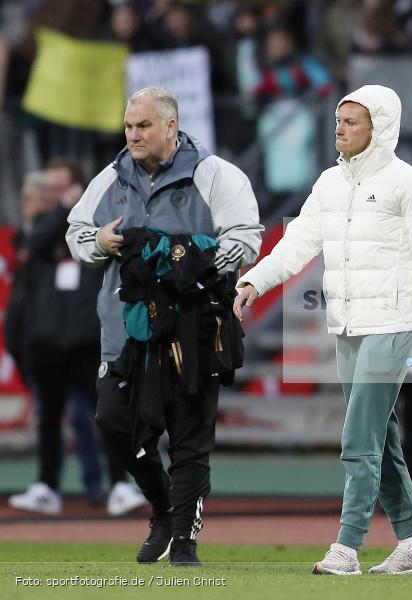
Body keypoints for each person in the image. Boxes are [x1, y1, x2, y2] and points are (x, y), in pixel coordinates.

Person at [233, 84, 412, 576]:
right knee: (381, 438)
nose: (339, 129)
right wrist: (253, 281)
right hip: (348, 324)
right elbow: (295, 245)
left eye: (351, 122)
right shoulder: (329, 183)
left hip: (396, 324)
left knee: (358, 438)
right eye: (338, 120)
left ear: (381, 128)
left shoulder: (410, 184)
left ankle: (347, 547)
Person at [66, 87, 262, 566]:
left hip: (194, 329)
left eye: (144, 126)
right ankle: (162, 511)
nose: (133, 135)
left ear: (171, 126)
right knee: (114, 424)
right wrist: (104, 242)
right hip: (125, 330)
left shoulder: (215, 174)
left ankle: (185, 544)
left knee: (189, 437)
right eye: (130, 126)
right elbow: (77, 234)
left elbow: (247, 238)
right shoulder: (111, 177)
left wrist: (186, 256)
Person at [7, 161, 146, 517]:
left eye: (60, 188)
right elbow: (32, 243)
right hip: (48, 338)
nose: (52, 195)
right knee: (49, 417)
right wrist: (66, 209)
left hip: (87, 336)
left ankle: (119, 483)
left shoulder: (99, 219)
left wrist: (79, 208)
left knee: (107, 413)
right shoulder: (45, 223)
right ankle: (47, 486)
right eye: (49, 189)